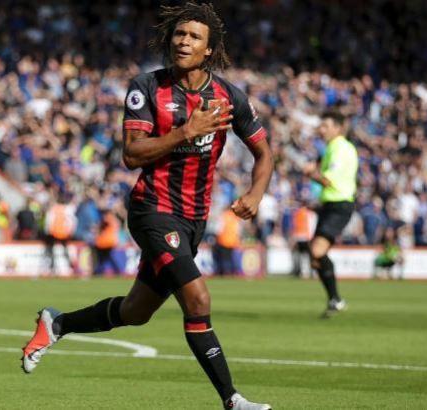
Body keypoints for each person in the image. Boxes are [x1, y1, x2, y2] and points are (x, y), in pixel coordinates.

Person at [20, 4, 273, 409]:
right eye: (179, 34)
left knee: (136, 311)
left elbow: (264, 154)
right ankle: (233, 400)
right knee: (198, 300)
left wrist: (256, 193)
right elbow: (132, 154)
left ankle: (58, 323)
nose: (183, 41)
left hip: (194, 220)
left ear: (209, 49)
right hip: (152, 209)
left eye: (194, 37)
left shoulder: (228, 96)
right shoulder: (147, 87)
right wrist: (186, 131)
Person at [303, 110, 358, 318]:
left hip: (340, 205)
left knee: (317, 251)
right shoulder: (332, 148)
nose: (321, 129)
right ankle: (335, 300)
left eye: (325, 126)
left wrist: (311, 172)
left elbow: (328, 180)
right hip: (329, 205)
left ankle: (337, 299)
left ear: (338, 128)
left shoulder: (340, 148)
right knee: (315, 257)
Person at [214, 208, 242, 276]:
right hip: (233, 241)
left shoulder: (223, 216)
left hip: (223, 240)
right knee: (231, 258)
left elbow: (218, 229)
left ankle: (226, 273)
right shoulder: (235, 216)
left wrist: (216, 238)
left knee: (224, 259)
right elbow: (238, 230)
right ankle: (232, 272)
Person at [93, 209, 122, 276]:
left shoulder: (107, 219)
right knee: (107, 258)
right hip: (110, 242)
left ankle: (98, 272)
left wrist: (97, 226)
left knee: (102, 258)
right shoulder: (115, 220)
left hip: (103, 242)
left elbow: (102, 225)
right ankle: (116, 270)